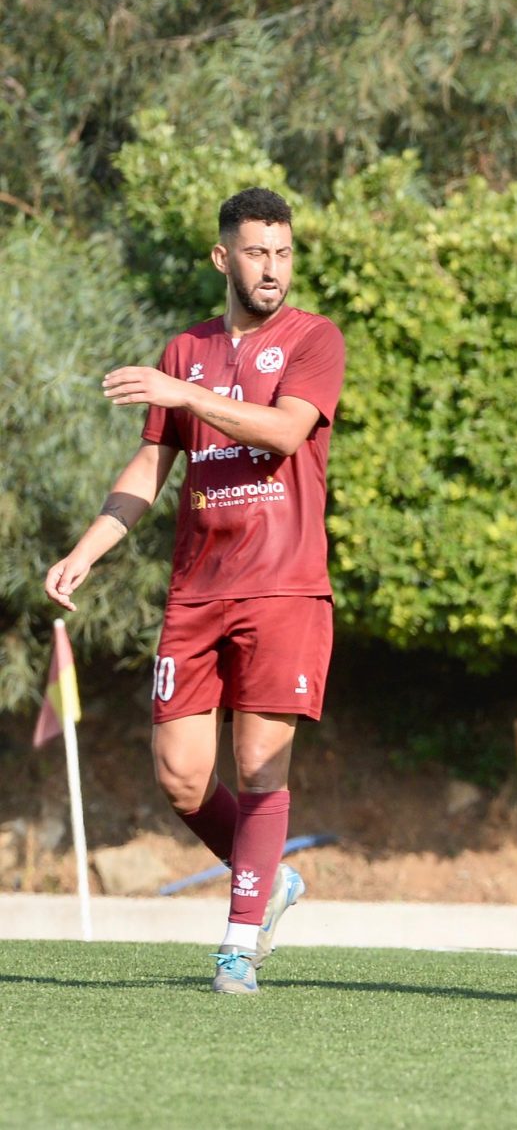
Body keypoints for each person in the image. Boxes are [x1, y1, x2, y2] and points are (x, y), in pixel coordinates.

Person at [44, 188, 346, 994]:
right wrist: (86, 550)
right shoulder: (186, 350)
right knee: (180, 775)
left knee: (259, 764)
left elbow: (285, 430)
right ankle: (269, 877)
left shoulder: (314, 339)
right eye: (257, 252)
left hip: (284, 587)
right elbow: (151, 468)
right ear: (223, 258)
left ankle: (239, 944)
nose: (272, 268)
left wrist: (187, 397)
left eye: (283, 252)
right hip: (198, 591)